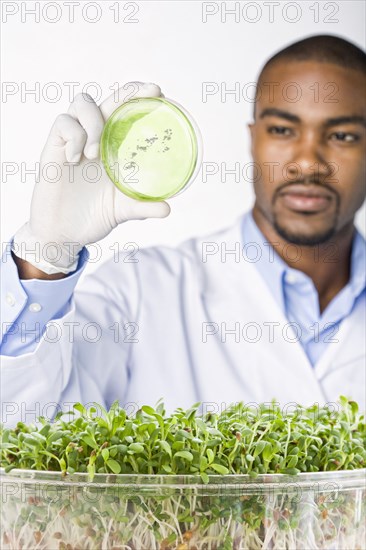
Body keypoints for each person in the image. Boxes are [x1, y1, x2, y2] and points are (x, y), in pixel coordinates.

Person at [1, 34, 365, 426]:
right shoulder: (140, 292)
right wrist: (47, 254)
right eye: (282, 129)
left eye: (343, 135)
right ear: (252, 138)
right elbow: (24, 427)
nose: (308, 163)